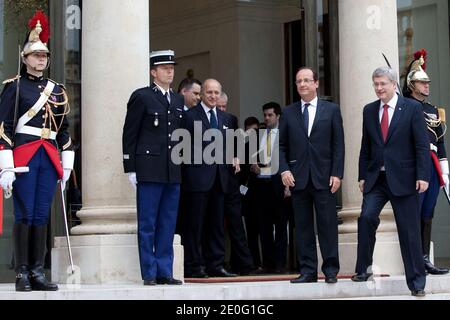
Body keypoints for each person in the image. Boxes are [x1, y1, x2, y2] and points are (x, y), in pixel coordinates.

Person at [0, 11, 74, 292]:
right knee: (25, 214)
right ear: (25, 58)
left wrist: (66, 165)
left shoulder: (57, 90)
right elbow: (4, 127)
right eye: (36, 55)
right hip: (25, 155)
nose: (41, 59)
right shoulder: (14, 87)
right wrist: (6, 165)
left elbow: (64, 131)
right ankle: (21, 273)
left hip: (48, 155)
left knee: (42, 214)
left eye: (44, 55)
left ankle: (37, 271)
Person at [352, 67, 430, 297]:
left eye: (382, 84)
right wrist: (362, 175)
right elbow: (365, 146)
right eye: (375, 84)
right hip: (377, 178)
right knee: (366, 218)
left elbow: (421, 146)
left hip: (405, 179)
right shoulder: (369, 110)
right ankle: (363, 269)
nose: (378, 88)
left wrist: (423, 175)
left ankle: (417, 283)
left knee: (409, 231)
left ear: (394, 84)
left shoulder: (412, 108)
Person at [122, 50, 184, 286]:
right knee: (148, 223)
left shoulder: (177, 99)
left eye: (172, 67)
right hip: (148, 168)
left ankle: (164, 271)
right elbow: (130, 133)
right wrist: (131, 166)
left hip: (172, 169)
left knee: (167, 223)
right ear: (153, 72)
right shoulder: (142, 96)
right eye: (164, 67)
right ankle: (149, 272)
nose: (170, 70)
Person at [280, 67, 345, 284]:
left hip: (325, 177)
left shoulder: (332, 110)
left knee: (327, 225)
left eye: (307, 80)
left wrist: (337, 173)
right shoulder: (288, 112)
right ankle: (308, 271)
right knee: (303, 227)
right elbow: (280, 146)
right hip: (298, 178)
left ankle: (330, 270)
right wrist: (284, 170)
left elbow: (338, 144)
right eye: (299, 81)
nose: (302, 84)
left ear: (316, 83)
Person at [182, 79, 239, 278]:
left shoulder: (227, 119)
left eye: (216, 92)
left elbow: (231, 146)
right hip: (197, 180)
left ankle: (216, 265)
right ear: (202, 94)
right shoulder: (189, 117)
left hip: (220, 179)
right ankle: (194, 266)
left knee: (216, 226)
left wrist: (235, 156)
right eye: (209, 92)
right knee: (195, 226)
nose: (213, 96)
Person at [403, 50, 449, 275]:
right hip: (413, 163)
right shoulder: (404, 106)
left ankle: (424, 259)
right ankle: (414, 260)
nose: (427, 85)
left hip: (432, 164)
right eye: (422, 82)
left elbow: (440, 142)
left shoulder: (433, 110)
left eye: (427, 82)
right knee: (415, 210)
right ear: (412, 84)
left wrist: (445, 171)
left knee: (428, 211)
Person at [253, 102, 290, 274]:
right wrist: (254, 166)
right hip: (261, 186)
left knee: (281, 227)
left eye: (270, 115)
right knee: (264, 227)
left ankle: (281, 264)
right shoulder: (259, 134)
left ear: (278, 116)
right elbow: (254, 157)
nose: (267, 118)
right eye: (265, 115)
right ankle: (267, 263)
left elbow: (289, 158)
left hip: (279, 185)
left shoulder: (285, 134)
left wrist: (288, 186)